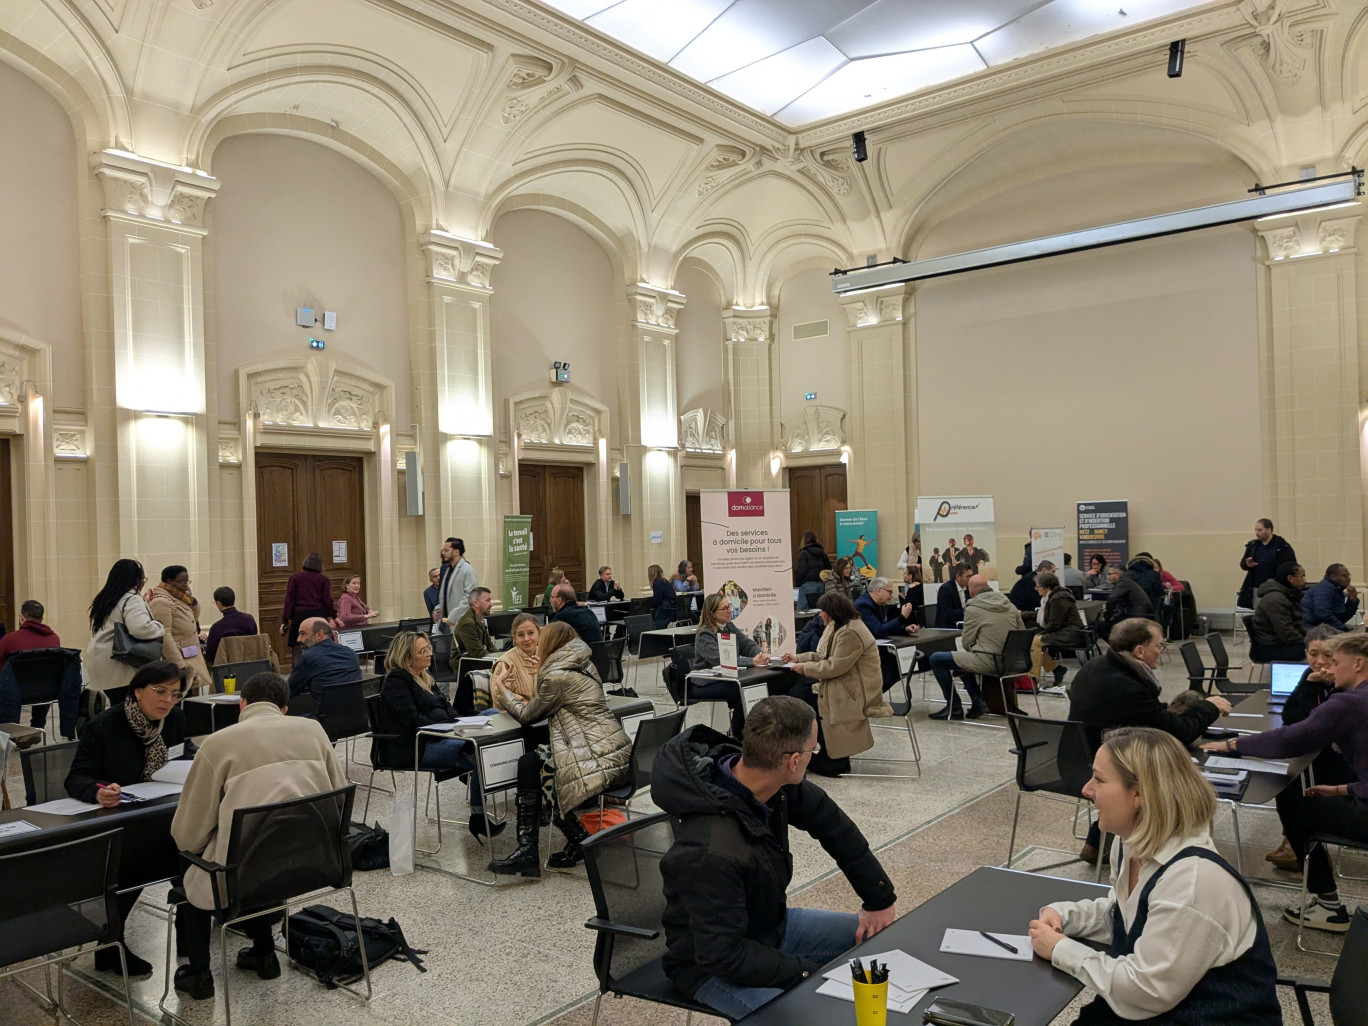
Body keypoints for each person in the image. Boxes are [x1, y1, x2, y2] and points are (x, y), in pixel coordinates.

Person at [653, 696, 897, 1019]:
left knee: (877, 943)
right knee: (811, 1016)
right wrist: (806, 975)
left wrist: (878, 898)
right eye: (815, 750)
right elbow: (722, 956)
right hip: (711, 967)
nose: (815, 756)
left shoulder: (772, 786)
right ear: (793, 761)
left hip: (769, 928)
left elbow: (831, 823)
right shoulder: (711, 850)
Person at [1029, 727, 1280, 1025]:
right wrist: (1065, 915)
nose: (1087, 788)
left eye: (1099, 779)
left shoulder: (1193, 880)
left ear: (1139, 794)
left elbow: (1144, 992)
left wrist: (1061, 950)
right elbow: (1126, 915)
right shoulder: (1131, 842)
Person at [169, 671, 347, 1001]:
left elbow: (187, 835)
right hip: (313, 865)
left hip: (242, 877)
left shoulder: (218, 744)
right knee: (270, 848)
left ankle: (199, 973)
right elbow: (338, 797)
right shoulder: (314, 730)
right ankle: (264, 954)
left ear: (242, 705)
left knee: (194, 868)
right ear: (284, 708)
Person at [1203, 632, 1368, 933]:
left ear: (1358, 663)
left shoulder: (1350, 702)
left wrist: (1233, 745)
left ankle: (1329, 906)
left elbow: (1293, 738)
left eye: (1336, 663)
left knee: (1294, 800)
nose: (1328, 669)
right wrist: (1344, 789)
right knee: (1312, 793)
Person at [1068, 618, 1230, 863]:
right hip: (1103, 767)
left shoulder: (1098, 666)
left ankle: (1096, 842)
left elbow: (1147, 716)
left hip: (1079, 754)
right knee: (1182, 771)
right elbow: (1176, 734)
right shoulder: (1126, 686)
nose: (1161, 651)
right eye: (1159, 645)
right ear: (1140, 650)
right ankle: (1177, 851)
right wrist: (1209, 707)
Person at [65, 660, 188, 978]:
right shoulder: (105, 726)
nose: (167, 701)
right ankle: (110, 945)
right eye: (159, 692)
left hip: (158, 811)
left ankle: (191, 933)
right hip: (116, 818)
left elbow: (181, 755)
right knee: (135, 863)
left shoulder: (173, 719)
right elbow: (77, 778)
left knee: (193, 850)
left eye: (174, 694)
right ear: (137, 692)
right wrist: (98, 792)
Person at [488, 622, 632, 876]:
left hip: (590, 754)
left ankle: (532, 848)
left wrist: (501, 687)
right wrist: (544, 670)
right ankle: (569, 839)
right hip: (609, 747)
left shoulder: (557, 675)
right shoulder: (583, 662)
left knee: (531, 765)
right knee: (538, 764)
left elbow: (526, 715)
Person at [377, 630, 503, 840]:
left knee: (493, 715)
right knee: (475, 750)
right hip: (417, 745)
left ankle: (475, 775)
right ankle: (478, 816)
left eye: (429, 648)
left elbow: (448, 707)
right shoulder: (397, 680)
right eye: (422, 651)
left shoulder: (426, 678)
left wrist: (458, 723)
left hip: (443, 735)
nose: (429, 653)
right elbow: (412, 719)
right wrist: (448, 729)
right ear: (407, 657)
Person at [781, 591, 889, 777]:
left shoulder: (850, 632)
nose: (819, 615)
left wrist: (805, 668)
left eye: (822, 611)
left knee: (799, 699)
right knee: (797, 694)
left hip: (853, 691)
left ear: (831, 612)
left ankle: (830, 757)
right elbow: (824, 657)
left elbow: (833, 667)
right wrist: (798, 658)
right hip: (844, 683)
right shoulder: (840, 627)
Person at [1263, 625, 1344, 870]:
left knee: (1292, 784)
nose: (1319, 662)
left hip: (1347, 759)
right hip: (1322, 749)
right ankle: (1294, 840)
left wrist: (1312, 688)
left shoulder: (1347, 680)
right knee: (1285, 777)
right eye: (1312, 654)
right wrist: (1310, 683)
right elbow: (1290, 715)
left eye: (1327, 655)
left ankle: (1301, 843)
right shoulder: (1311, 674)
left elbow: (1313, 726)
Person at [928, 573, 1021, 720]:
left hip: (989, 661)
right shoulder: (1010, 605)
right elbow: (1020, 634)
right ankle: (978, 701)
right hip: (1013, 662)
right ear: (988, 587)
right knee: (963, 659)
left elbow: (966, 642)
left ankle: (954, 707)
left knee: (936, 658)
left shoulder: (973, 608)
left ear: (971, 592)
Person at [85, 558, 167, 703]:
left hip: (101, 661)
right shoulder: (131, 598)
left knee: (117, 708)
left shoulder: (105, 598)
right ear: (136, 579)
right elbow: (140, 628)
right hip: (121, 665)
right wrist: (160, 627)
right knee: (128, 712)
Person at [689, 593, 771, 736]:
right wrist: (752, 662)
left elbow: (747, 644)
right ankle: (737, 734)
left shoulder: (728, 626)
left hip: (725, 677)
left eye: (729, 607)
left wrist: (759, 654)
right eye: (725, 608)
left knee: (751, 687)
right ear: (712, 613)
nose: (729, 611)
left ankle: (746, 731)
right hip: (705, 683)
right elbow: (721, 660)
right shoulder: (704, 635)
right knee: (741, 692)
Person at [147, 565, 212, 695]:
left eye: (186, 581)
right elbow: (164, 634)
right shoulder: (161, 601)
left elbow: (193, 619)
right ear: (169, 581)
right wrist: (179, 665)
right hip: (178, 658)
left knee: (194, 698)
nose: (184, 584)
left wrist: (192, 600)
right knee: (179, 696)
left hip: (191, 654)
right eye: (180, 581)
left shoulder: (180, 598)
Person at [0, 600, 61, 728]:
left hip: (15, 694)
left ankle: (10, 730)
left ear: (22, 618)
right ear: (42, 618)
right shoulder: (54, 638)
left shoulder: (9, 639)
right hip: (47, 693)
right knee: (42, 678)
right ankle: (38, 725)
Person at [287, 617, 361, 706]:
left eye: (303, 634)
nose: (298, 639)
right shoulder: (350, 653)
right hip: (358, 716)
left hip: (324, 717)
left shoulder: (308, 657)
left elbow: (288, 691)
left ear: (319, 635)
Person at [1031, 571, 1087, 688]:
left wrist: (1039, 633)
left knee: (1035, 641)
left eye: (1038, 586)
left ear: (1047, 587)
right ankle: (1056, 669)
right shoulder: (1053, 597)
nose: (1036, 588)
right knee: (1033, 641)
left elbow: (1055, 624)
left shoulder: (1058, 599)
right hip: (1064, 632)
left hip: (1070, 634)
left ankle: (1033, 679)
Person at [1250, 561, 1307, 662]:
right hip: (1270, 647)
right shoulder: (1276, 599)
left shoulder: (1287, 594)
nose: (1304, 581)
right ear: (1290, 578)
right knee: (1316, 651)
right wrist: (1307, 641)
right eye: (1302, 577)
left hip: (1277, 642)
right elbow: (1286, 632)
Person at [1238, 518, 1296, 609]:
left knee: (1275, 612)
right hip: (1257, 587)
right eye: (1256, 530)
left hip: (1275, 588)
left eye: (1260, 530)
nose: (1257, 533)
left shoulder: (1282, 546)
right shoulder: (1253, 546)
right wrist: (1247, 564)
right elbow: (1243, 564)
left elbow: (1292, 565)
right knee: (1259, 615)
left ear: (1269, 530)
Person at [490, 612, 541, 703]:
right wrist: (527, 707)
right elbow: (498, 696)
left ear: (539, 633)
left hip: (543, 712)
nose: (526, 639)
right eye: (521, 635)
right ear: (514, 638)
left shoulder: (548, 656)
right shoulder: (505, 663)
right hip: (513, 713)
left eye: (531, 633)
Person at [433, 535, 478, 632]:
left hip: (459, 621)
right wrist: (438, 609)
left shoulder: (467, 570)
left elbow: (470, 597)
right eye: (443, 550)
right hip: (445, 622)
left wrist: (454, 615)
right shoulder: (448, 570)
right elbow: (445, 594)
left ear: (456, 552)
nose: (443, 553)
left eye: (446, 550)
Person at [1097, 564, 1153, 643]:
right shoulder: (1127, 581)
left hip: (1134, 615)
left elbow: (1112, 599)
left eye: (1109, 574)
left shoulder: (1123, 582)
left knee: (1100, 626)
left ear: (1117, 574)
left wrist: (1107, 617)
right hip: (1138, 613)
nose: (1107, 577)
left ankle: (1118, 647)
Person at [203, 587, 257, 663]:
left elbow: (210, 656)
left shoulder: (216, 627)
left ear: (218, 603)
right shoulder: (249, 619)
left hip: (227, 668)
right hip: (251, 663)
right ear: (233, 600)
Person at [1302, 562, 1359, 630]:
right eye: (1344, 576)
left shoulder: (1338, 589)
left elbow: (1342, 618)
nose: (1348, 579)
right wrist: (1344, 629)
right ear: (1333, 577)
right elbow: (1323, 615)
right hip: (1313, 628)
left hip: (1324, 628)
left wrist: (1352, 600)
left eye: (1348, 576)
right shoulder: (1324, 588)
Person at [454, 585, 497, 658]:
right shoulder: (467, 624)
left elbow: (490, 647)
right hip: (467, 665)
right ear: (476, 603)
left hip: (479, 662)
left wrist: (503, 659)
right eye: (487, 600)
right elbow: (478, 653)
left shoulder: (479, 619)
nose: (491, 604)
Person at [793, 530, 830, 611]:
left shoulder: (803, 553)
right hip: (822, 585)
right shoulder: (822, 553)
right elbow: (828, 569)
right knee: (821, 611)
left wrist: (798, 583)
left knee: (802, 612)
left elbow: (801, 571)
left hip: (808, 586)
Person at [648, 563, 675, 629]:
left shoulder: (657, 583)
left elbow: (657, 599)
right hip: (672, 607)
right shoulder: (665, 581)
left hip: (665, 610)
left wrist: (649, 605)